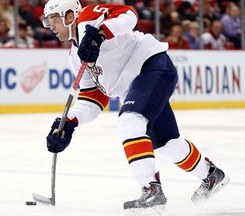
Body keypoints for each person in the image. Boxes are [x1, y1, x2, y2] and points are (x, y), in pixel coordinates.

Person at [43, 0, 230, 213]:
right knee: (168, 144)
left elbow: (129, 14)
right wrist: (69, 121)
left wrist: (101, 34)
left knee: (129, 122)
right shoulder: (75, 58)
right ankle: (211, 175)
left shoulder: (88, 18)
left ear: (69, 16)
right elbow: (92, 100)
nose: (51, 27)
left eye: (54, 20)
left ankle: (151, 189)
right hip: (139, 87)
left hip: (151, 65)